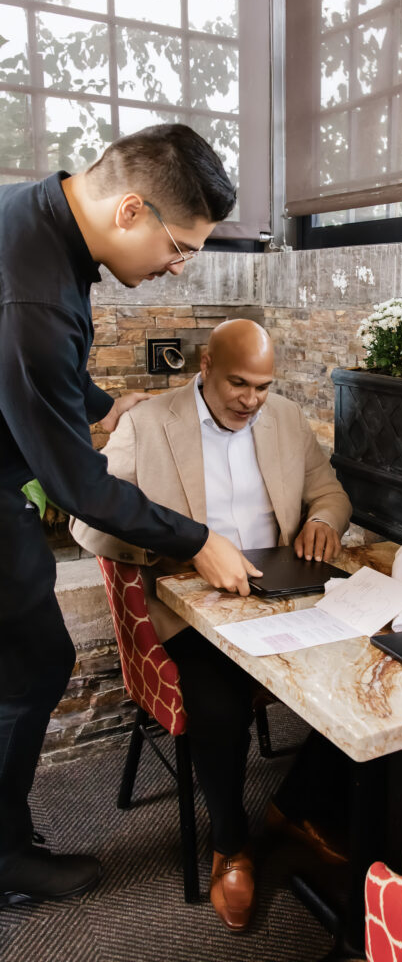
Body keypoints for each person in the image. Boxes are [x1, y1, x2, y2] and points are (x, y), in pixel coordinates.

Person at [0, 125, 267, 910]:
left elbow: (41, 368)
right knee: (31, 668)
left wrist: (103, 404)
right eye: (178, 247)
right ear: (129, 210)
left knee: (25, 667)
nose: (178, 266)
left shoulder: (40, 218)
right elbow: (78, 487)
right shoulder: (31, 293)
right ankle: (4, 861)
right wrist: (199, 539)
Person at [71, 318, 352, 930]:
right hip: (189, 610)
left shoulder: (285, 419)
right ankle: (231, 843)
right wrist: (182, 546)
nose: (252, 400)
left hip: (281, 598)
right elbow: (86, 523)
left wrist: (323, 520)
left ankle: (295, 804)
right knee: (220, 708)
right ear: (205, 367)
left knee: (366, 675)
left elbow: (329, 491)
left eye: (263, 386)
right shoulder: (148, 424)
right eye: (238, 384)